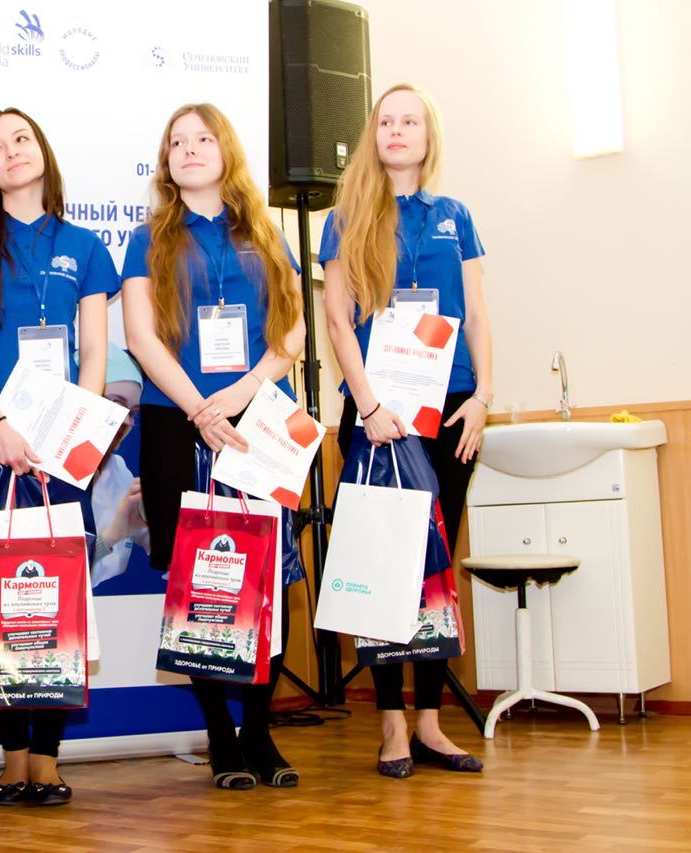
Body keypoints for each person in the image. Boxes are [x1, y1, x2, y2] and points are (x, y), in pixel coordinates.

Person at [0, 107, 118, 805]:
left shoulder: (84, 245)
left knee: (57, 596)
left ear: (42, 152)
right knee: (6, 597)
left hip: (60, 452)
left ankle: (47, 757)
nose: (10, 151)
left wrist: (73, 431)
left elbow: (94, 350)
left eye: (21, 139)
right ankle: (12, 758)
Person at [121, 103, 305, 790]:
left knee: (267, 578)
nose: (190, 149)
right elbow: (140, 338)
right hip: (176, 421)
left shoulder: (265, 231)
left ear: (226, 150)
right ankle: (221, 737)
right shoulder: (147, 238)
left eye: (203, 138)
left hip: (260, 420)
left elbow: (294, 331)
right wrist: (200, 407)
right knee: (200, 581)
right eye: (177, 142)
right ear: (166, 162)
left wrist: (248, 387)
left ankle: (258, 730)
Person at [320, 83, 491, 777]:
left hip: (449, 411)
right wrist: (367, 407)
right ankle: (391, 725)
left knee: (434, 569)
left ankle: (430, 724)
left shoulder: (456, 216)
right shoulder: (346, 219)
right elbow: (338, 323)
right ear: (374, 137)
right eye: (385, 121)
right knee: (385, 565)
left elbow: (476, 314)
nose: (396, 130)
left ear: (427, 136)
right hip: (378, 417)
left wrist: (483, 396)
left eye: (409, 121)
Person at [88, 343, 149, 588]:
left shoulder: (120, 472)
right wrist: (113, 535)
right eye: (115, 403)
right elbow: (51, 575)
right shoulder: (45, 476)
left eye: (134, 412)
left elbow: (159, 550)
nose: (127, 422)